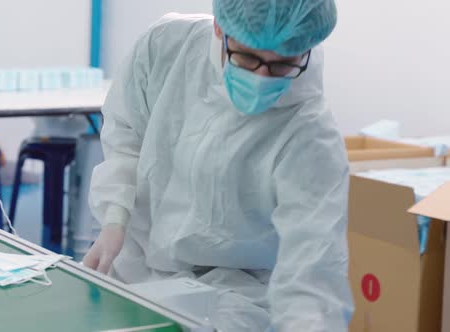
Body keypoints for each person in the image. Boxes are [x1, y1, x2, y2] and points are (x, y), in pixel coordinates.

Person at [83, 0, 353, 330]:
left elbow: (314, 269)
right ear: (219, 28)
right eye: (248, 58)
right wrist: (115, 218)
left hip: (238, 294)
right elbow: (126, 133)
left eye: (282, 64)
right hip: (134, 267)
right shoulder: (168, 47)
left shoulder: (311, 135)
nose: (262, 77)